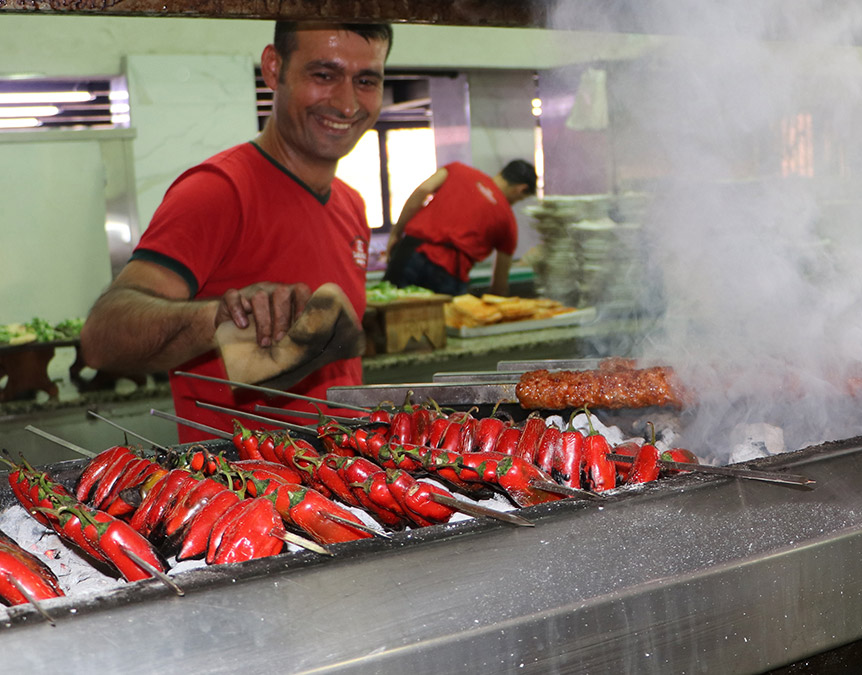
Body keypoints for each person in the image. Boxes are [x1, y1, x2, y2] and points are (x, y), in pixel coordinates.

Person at [79, 21, 393, 442]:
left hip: (341, 482)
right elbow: (102, 337)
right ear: (272, 67)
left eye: (366, 80)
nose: (346, 102)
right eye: (324, 75)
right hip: (242, 494)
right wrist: (221, 317)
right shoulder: (219, 191)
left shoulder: (350, 203)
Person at [382, 160, 537, 296]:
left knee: (390, 314)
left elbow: (423, 190)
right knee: (441, 326)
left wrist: (396, 233)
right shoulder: (508, 222)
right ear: (521, 189)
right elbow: (500, 285)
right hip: (448, 273)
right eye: (520, 199)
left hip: (411, 253)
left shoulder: (457, 169)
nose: (515, 202)